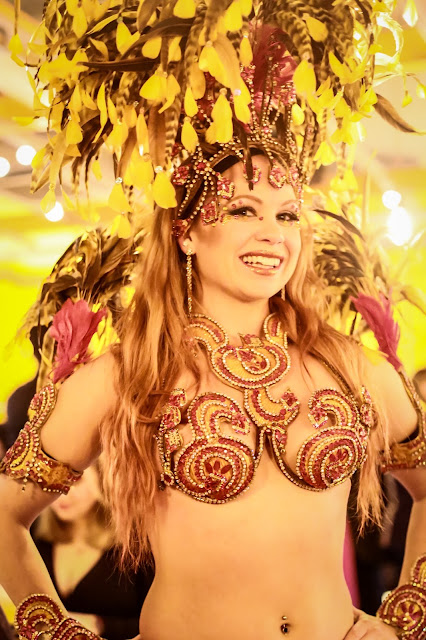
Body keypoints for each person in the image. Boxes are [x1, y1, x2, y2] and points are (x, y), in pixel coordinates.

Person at [0, 2, 425, 640]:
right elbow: (5, 515)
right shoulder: (130, 373)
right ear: (187, 231)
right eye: (243, 209)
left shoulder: (348, 364)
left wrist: (406, 616)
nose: (272, 235)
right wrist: (55, 630)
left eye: (287, 215)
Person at [32, 463, 153, 640]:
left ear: (103, 479)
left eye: (75, 480)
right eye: (50, 479)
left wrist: (99, 624)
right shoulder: (34, 537)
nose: (60, 492)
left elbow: (163, 624)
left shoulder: (136, 546)